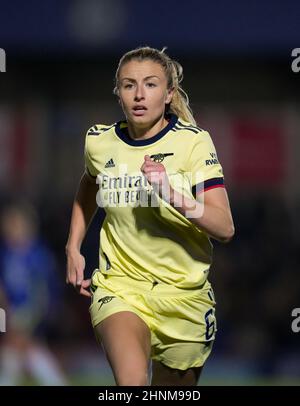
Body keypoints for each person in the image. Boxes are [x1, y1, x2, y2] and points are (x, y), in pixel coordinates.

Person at [66, 46, 234, 386]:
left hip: (184, 297)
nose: (140, 95)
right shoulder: (99, 142)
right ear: (119, 93)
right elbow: (90, 183)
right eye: (129, 85)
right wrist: (73, 246)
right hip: (121, 288)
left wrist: (172, 194)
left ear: (169, 93)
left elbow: (225, 227)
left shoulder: (194, 144)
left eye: (151, 84)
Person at [0, 202, 67, 385]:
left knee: (26, 347)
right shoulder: (5, 254)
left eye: (15, 224)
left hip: (32, 312)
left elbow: (44, 292)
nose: (10, 229)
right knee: (12, 351)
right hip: (8, 313)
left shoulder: (38, 255)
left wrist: (30, 319)